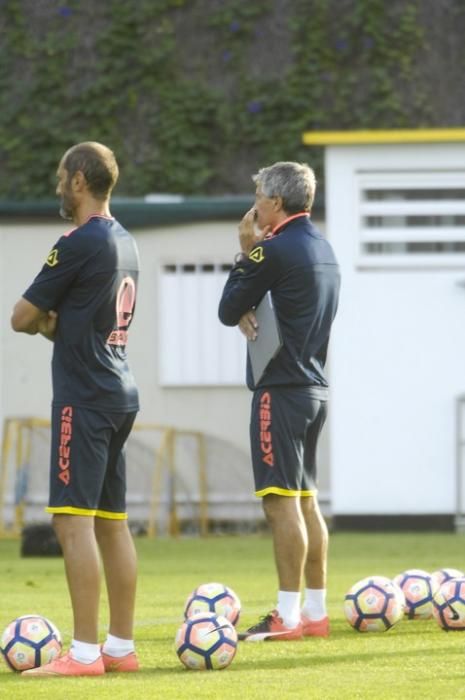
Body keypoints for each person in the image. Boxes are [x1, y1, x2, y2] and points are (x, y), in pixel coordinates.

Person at [11, 142, 140, 676]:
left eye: (62, 176)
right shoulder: (126, 240)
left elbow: (22, 316)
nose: (58, 186)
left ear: (81, 181)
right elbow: (78, 320)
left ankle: (84, 654)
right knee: (112, 523)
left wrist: (45, 321)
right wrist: (54, 323)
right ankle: (120, 648)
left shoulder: (79, 242)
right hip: (118, 392)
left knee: (72, 522)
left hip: (83, 397)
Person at [219, 161, 340, 641]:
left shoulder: (274, 250)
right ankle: (315, 613)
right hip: (314, 388)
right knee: (307, 501)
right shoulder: (323, 248)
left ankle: (286, 617)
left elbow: (229, 308)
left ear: (276, 202)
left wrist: (246, 250)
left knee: (280, 503)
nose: (254, 205)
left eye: (258, 197)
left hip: (280, 389)